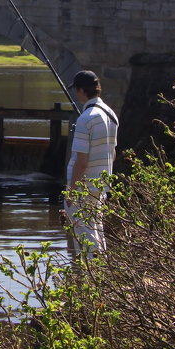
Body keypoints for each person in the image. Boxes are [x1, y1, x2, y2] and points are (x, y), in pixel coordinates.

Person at [65, 69, 118, 259]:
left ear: (81, 91)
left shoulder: (85, 119)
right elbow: (113, 153)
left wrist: (72, 191)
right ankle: (102, 273)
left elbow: (81, 161)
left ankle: (90, 277)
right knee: (97, 229)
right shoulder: (111, 115)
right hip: (101, 184)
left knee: (84, 234)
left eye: (76, 90)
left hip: (84, 185)